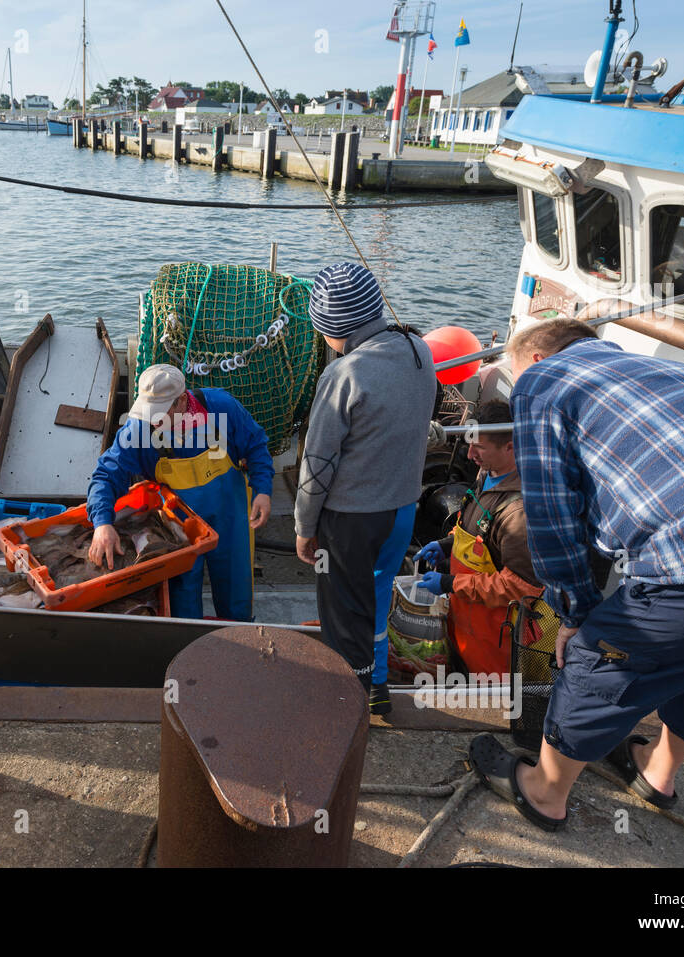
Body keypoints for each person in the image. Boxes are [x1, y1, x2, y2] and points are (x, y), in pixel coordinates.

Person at [469, 318, 684, 832]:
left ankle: (544, 792)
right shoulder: (673, 371)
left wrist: (574, 613)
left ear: (538, 360)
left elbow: (551, 517)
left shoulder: (545, 382)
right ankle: (657, 772)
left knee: (596, 656)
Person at [294, 262, 436, 699]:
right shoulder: (418, 348)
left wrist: (303, 528)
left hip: (352, 519)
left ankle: (348, 701)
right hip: (403, 509)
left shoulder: (343, 374)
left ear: (333, 328)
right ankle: (376, 685)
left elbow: (317, 466)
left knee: (343, 614)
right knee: (374, 596)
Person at [86, 363, 273, 620]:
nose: (154, 421)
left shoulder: (221, 406)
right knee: (181, 599)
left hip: (230, 515)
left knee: (236, 591)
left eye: (160, 414)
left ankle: (239, 638)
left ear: (182, 401)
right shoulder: (139, 429)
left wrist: (263, 489)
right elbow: (106, 475)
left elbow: (256, 444)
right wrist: (102, 523)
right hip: (177, 528)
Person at [414, 399, 542, 676]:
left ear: (511, 446)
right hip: (466, 628)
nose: (470, 455)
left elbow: (522, 588)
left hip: (496, 644)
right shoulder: (488, 473)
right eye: (469, 445)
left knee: (489, 708)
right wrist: (446, 546)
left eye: (479, 447)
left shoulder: (519, 513)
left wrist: (450, 582)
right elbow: (477, 531)